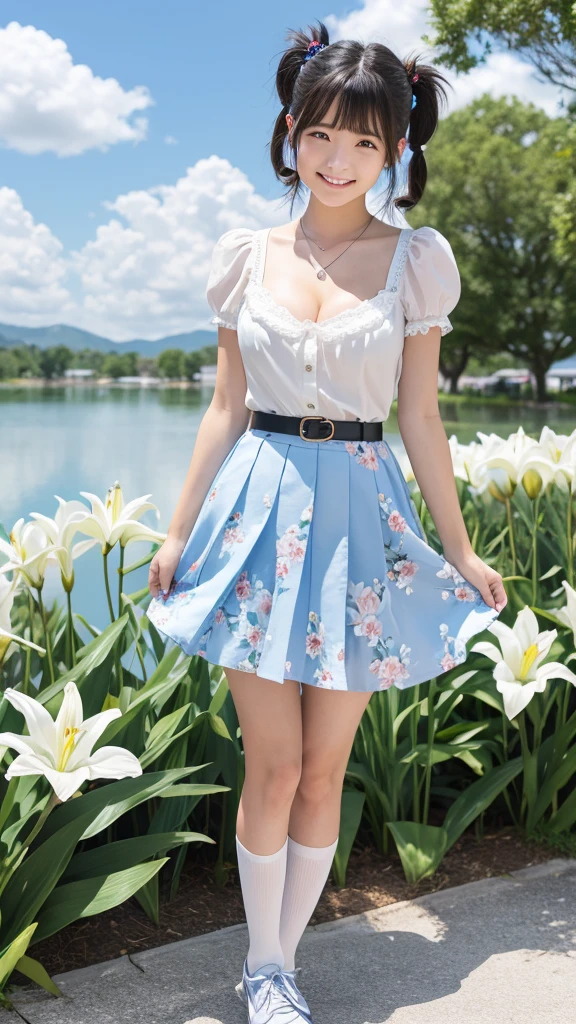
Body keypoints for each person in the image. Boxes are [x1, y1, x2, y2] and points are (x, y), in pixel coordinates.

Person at [147, 20, 507, 1024]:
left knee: (324, 767)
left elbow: (422, 417)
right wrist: (177, 533)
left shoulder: (414, 263)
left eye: (362, 140)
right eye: (320, 135)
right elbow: (222, 406)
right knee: (271, 759)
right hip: (254, 510)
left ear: (396, 150)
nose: (336, 159)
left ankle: (282, 961)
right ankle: (266, 968)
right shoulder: (246, 257)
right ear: (289, 132)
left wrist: (462, 546)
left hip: (359, 513)